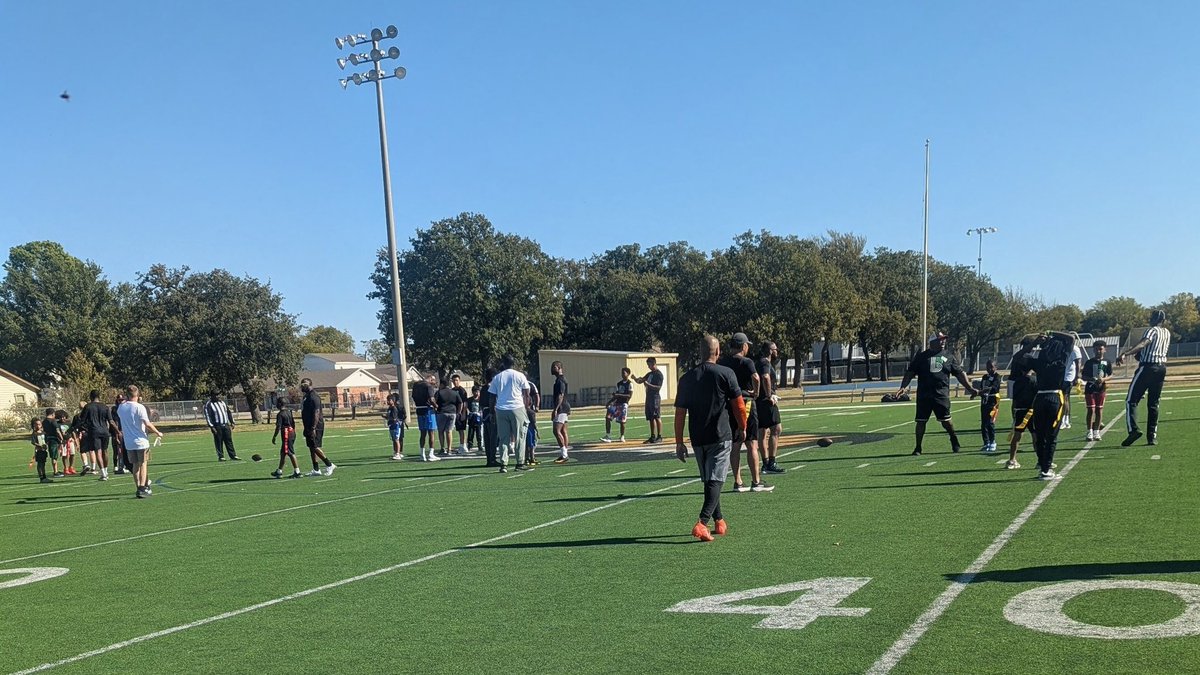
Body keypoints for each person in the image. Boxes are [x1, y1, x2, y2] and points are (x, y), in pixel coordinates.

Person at [674, 335, 747, 542]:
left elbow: (680, 413)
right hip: (719, 435)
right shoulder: (726, 373)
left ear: (700, 352)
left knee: (710, 480)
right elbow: (739, 405)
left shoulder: (687, 378)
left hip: (698, 437)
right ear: (718, 351)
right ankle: (702, 523)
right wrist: (742, 427)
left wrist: (679, 442)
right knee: (715, 479)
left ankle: (719, 520)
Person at [895, 332, 978, 456]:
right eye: (940, 340)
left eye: (944, 339)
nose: (943, 342)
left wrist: (969, 388)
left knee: (946, 421)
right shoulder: (922, 357)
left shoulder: (949, 356)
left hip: (941, 394)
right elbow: (910, 372)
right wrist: (903, 387)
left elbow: (960, 373)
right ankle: (918, 447)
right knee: (921, 421)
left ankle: (953, 438)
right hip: (924, 395)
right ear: (932, 342)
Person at [717, 332, 769, 492]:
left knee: (735, 444)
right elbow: (757, 377)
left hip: (729, 404)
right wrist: (756, 392)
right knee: (752, 443)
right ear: (743, 346)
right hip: (745, 402)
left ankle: (738, 481)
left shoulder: (723, 362)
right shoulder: (747, 362)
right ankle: (756, 481)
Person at [1116, 309, 1171, 446]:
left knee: (1131, 400)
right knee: (1154, 403)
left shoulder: (1152, 331)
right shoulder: (1167, 333)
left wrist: (1125, 353)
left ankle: (1133, 430)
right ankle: (1152, 436)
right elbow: (1152, 349)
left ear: (1153, 319)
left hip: (1148, 368)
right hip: (1161, 368)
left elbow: (1144, 343)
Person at [1028, 332, 1077, 479]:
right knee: (1051, 436)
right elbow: (1071, 338)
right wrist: (1052, 332)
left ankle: (1042, 466)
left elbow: (1018, 358)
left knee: (1041, 435)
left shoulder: (1039, 361)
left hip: (1040, 398)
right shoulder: (1062, 359)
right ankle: (1046, 469)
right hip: (1055, 397)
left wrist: (1035, 343)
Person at [117, 385, 163, 498]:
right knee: (143, 464)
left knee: (135, 465)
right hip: (141, 441)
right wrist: (158, 432)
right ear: (137, 395)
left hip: (128, 442)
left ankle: (138, 486)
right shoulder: (139, 407)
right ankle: (142, 488)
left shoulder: (121, 408)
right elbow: (147, 423)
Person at [488, 354, 532, 473]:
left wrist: (492, 412)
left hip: (501, 409)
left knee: (503, 438)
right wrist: (527, 408)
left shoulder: (497, 377)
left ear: (503, 363)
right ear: (514, 363)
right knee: (519, 437)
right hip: (517, 407)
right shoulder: (519, 375)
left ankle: (504, 464)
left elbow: (492, 396)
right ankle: (519, 462)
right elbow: (526, 394)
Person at [1004, 338, 1039, 470]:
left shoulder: (1018, 380)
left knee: (1018, 434)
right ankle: (1041, 460)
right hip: (1031, 409)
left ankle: (1012, 460)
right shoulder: (1033, 379)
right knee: (1035, 435)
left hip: (1020, 408)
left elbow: (1015, 398)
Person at [756, 341, 785, 473]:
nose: (777, 351)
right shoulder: (764, 362)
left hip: (759, 401)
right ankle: (771, 462)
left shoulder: (761, 362)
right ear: (769, 350)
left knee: (762, 432)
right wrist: (769, 395)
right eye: (775, 349)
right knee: (776, 429)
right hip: (765, 401)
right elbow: (765, 377)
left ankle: (766, 463)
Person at [80, 389, 120, 481]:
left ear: (90, 397)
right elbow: (111, 421)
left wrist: (79, 429)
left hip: (94, 431)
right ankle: (105, 471)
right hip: (105, 431)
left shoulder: (88, 407)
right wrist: (118, 431)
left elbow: (82, 420)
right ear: (99, 396)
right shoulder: (105, 407)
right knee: (105, 451)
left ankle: (103, 474)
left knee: (98, 451)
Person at [300, 378, 336, 475]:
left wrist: (313, 428)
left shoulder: (314, 397)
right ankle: (316, 469)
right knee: (311, 447)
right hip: (308, 425)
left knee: (314, 446)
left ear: (309, 385)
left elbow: (316, 412)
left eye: (304, 385)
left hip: (315, 425)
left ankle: (329, 464)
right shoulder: (306, 396)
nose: (302, 387)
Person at [1082, 340, 1113, 441]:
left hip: (1101, 389)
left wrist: (1103, 379)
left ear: (1105, 350)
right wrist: (1092, 379)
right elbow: (1083, 376)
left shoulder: (1107, 362)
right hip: (1090, 389)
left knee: (1099, 410)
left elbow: (1111, 375)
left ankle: (1097, 432)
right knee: (1091, 410)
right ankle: (1089, 431)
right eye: (1096, 349)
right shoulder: (1089, 362)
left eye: (1100, 349)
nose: (1098, 351)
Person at [634, 357, 665, 443]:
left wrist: (648, 384)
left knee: (657, 416)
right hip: (648, 397)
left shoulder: (659, 375)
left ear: (653, 364)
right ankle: (652, 436)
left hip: (655, 397)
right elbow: (641, 381)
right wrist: (635, 378)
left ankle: (659, 436)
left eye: (649, 364)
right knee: (650, 417)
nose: (648, 366)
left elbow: (658, 387)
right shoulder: (649, 374)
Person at [204, 391, 240, 461]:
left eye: (219, 395)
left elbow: (229, 412)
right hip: (217, 425)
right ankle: (221, 456)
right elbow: (208, 416)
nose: (218, 396)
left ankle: (233, 455)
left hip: (225, 424)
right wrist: (212, 426)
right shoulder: (208, 404)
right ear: (212, 396)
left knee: (229, 440)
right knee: (219, 441)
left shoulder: (222, 403)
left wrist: (232, 422)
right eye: (216, 395)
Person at [271, 398, 302, 478]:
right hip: (291, 432)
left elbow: (278, 426)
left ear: (280, 404)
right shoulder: (289, 412)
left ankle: (297, 471)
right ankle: (279, 471)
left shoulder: (280, 414)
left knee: (290, 452)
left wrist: (274, 436)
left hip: (286, 433)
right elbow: (293, 423)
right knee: (283, 452)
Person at [601, 368, 634, 442]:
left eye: (624, 373)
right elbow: (616, 395)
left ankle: (622, 436)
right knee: (608, 417)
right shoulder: (619, 383)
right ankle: (608, 436)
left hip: (623, 404)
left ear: (628, 374)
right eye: (621, 373)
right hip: (616, 404)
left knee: (622, 421)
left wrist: (619, 394)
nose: (622, 374)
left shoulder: (630, 383)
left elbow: (629, 396)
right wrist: (609, 402)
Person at [977, 360, 1002, 454]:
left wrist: (985, 390)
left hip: (993, 402)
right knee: (984, 423)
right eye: (987, 367)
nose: (989, 369)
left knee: (990, 422)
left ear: (996, 367)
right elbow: (981, 387)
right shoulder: (984, 377)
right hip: (984, 401)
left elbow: (995, 387)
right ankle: (986, 442)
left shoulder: (997, 376)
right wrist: (980, 392)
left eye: (991, 367)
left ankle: (992, 442)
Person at [412, 373, 439, 461]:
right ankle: (431, 454)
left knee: (422, 433)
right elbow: (431, 399)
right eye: (434, 380)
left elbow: (413, 397)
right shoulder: (428, 386)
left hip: (419, 410)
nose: (434, 382)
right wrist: (436, 406)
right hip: (428, 411)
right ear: (430, 379)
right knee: (431, 432)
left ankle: (422, 454)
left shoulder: (416, 385)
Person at [1060, 339, 1084, 429]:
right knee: (1063, 398)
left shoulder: (1074, 348)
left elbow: (1078, 362)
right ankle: (1064, 419)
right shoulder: (1062, 348)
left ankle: (1065, 420)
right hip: (1061, 376)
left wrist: (1077, 375)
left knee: (1064, 397)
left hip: (1068, 376)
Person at [550, 361, 571, 463]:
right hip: (564, 407)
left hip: (561, 408)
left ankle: (564, 454)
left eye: (553, 367)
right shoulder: (560, 380)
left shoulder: (560, 380)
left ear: (559, 368)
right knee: (563, 431)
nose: (551, 369)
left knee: (556, 431)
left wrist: (556, 409)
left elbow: (560, 395)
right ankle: (564, 453)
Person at [434, 377, 460, 457]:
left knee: (441, 431)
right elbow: (460, 402)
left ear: (441, 384)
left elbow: (434, 402)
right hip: (452, 413)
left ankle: (442, 448)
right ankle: (449, 449)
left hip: (441, 412)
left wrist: (435, 410)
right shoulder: (454, 392)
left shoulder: (439, 392)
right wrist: (458, 412)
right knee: (449, 431)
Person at [481, 368, 500, 467]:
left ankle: (489, 458)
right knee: (493, 437)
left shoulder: (483, 388)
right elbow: (493, 401)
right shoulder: (492, 387)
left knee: (487, 438)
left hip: (485, 414)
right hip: (491, 413)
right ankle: (492, 458)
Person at [383, 393, 406, 460]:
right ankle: (395, 452)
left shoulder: (394, 409)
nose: (387, 402)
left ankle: (398, 453)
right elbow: (389, 417)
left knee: (396, 439)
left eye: (389, 400)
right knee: (393, 440)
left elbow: (394, 418)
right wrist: (385, 417)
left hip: (395, 425)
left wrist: (388, 418)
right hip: (391, 425)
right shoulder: (389, 408)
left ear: (393, 401)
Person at [451, 374, 469, 453]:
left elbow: (465, 403)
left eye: (457, 380)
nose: (455, 382)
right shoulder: (452, 390)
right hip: (454, 412)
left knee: (461, 429)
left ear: (459, 381)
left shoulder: (462, 391)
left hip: (461, 413)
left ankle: (463, 446)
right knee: (457, 429)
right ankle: (460, 445)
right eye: (454, 380)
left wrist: (464, 413)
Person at [42, 407, 63, 477]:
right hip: (54, 440)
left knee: (54, 455)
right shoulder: (53, 421)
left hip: (48, 439)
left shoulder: (44, 422)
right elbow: (57, 431)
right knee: (54, 456)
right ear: (53, 414)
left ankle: (56, 470)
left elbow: (44, 432)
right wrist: (61, 438)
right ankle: (55, 472)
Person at [524, 379, 541, 466]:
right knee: (531, 443)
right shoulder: (531, 412)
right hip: (529, 429)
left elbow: (536, 395)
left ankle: (526, 458)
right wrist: (537, 430)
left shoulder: (530, 384)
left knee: (525, 443)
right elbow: (533, 423)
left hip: (524, 427)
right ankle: (532, 458)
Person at [31, 418, 51, 483]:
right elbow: (33, 442)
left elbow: (47, 440)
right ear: (34, 425)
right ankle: (41, 477)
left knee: (43, 464)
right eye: (36, 424)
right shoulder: (34, 433)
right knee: (40, 464)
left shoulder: (44, 433)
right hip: (39, 451)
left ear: (41, 425)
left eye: (39, 424)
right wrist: (40, 446)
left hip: (44, 450)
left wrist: (46, 445)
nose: (38, 426)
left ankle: (44, 477)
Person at [466, 386, 483, 453]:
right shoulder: (469, 400)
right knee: (471, 432)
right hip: (472, 418)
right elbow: (466, 407)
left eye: (478, 391)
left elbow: (482, 407)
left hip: (479, 418)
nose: (477, 393)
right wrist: (468, 413)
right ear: (472, 392)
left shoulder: (481, 399)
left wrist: (480, 412)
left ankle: (479, 445)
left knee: (479, 433)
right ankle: (470, 445)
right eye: (475, 391)